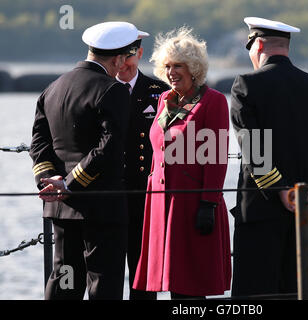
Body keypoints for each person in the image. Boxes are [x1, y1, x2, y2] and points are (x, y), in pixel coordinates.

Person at [230, 17, 308, 298]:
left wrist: (280, 191)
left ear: (256, 45)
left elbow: (254, 147)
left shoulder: (246, 84)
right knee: (301, 292)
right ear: (287, 48)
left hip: (261, 212)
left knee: (254, 296)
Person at [29, 21, 140, 300]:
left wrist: (50, 181)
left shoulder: (53, 88)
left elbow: (39, 143)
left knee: (65, 278)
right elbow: (108, 148)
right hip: (101, 207)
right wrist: (70, 183)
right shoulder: (112, 90)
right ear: (117, 58)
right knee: (103, 279)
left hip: (61, 206)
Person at [132, 27, 231, 299]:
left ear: (194, 69)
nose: (172, 72)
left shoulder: (214, 101)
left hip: (193, 204)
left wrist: (208, 204)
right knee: (169, 280)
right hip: (159, 202)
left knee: (190, 286)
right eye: (168, 66)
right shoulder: (165, 99)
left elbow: (217, 158)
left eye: (179, 66)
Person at [116, 26, 170, 301]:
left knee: (144, 277)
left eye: (129, 55)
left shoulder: (159, 92)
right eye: (118, 55)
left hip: (145, 198)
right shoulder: (99, 89)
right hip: (108, 194)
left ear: (139, 53)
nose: (124, 63)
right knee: (106, 276)